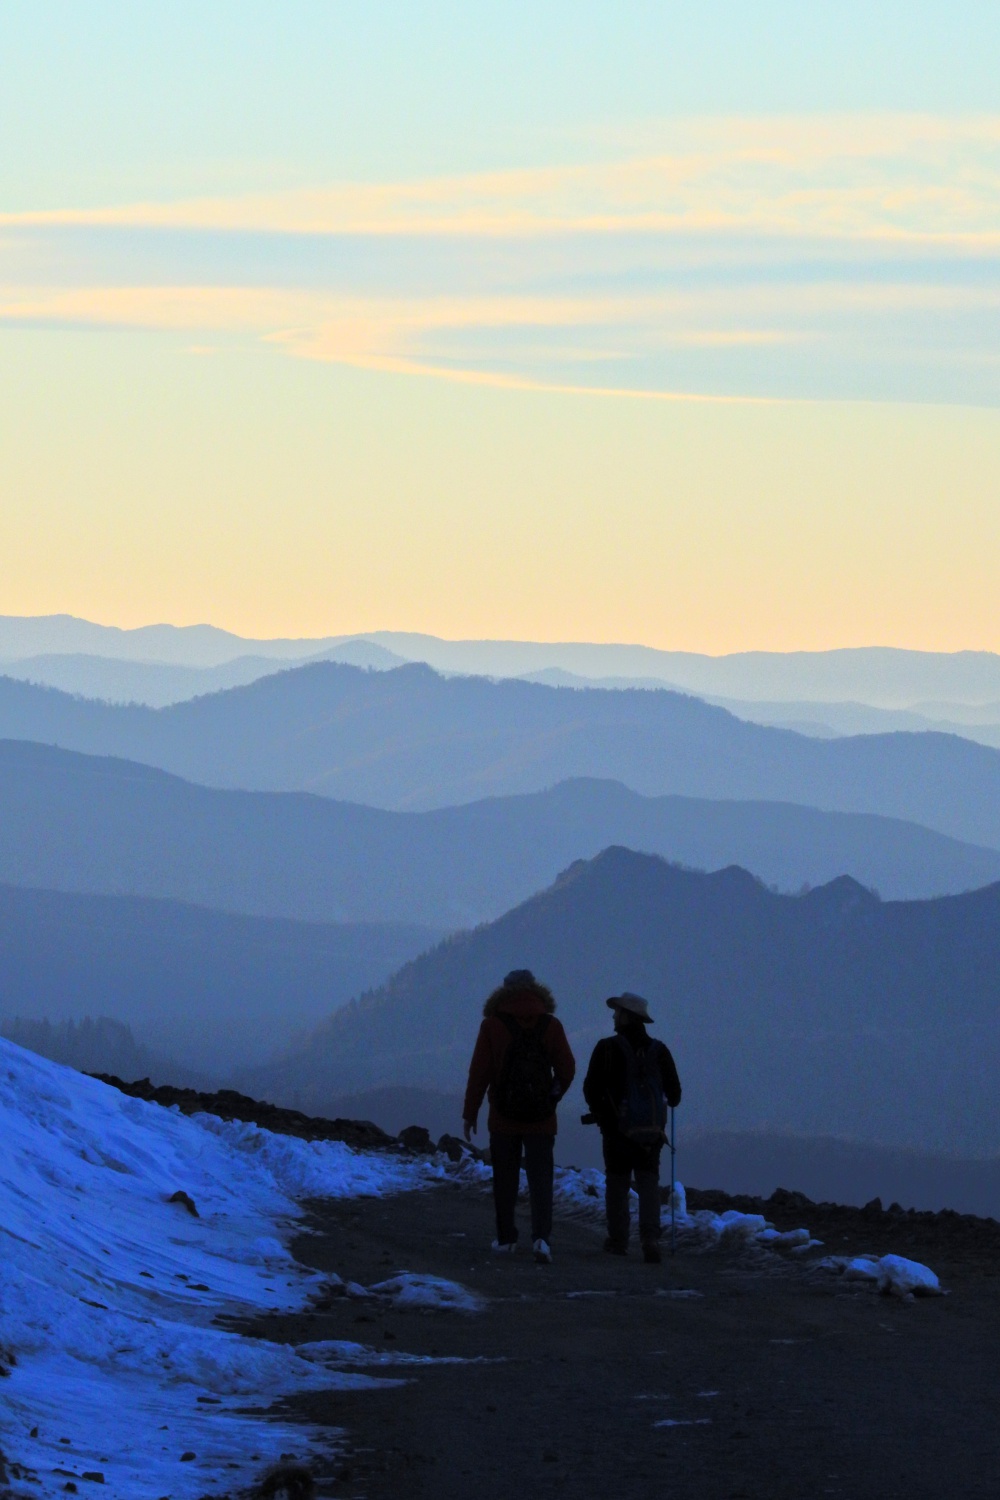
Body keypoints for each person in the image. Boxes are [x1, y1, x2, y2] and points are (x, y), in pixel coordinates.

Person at [463, 968, 576, 1264]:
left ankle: (506, 1238)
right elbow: (567, 1069)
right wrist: (551, 1097)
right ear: (535, 989)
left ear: (504, 991)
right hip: (541, 1118)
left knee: (505, 1179)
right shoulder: (551, 1025)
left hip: (503, 1117)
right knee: (541, 1179)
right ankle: (541, 1238)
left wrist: (470, 1112)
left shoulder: (492, 1025)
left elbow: (479, 1073)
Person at [583, 991, 681, 1264]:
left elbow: (590, 1088)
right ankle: (650, 1239)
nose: (614, 1015)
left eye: (617, 1012)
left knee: (617, 1182)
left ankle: (618, 1241)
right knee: (649, 1182)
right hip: (651, 1133)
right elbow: (675, 1096)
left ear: (626, 1017)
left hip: (616, 1131)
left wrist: (603, 1115)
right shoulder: (660, 1051)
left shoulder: (606, 1048)